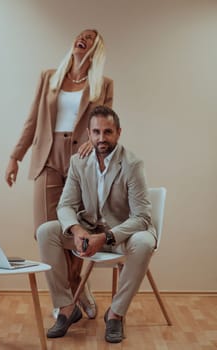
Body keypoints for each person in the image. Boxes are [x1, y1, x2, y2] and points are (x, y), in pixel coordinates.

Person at [5, 29, 114, 320]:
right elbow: (32, 120)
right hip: (48, 156)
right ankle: (72, 293)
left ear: (96, 49)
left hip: (82, 161)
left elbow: (106, 124)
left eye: (91, 38)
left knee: (77, 228)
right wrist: (15, 157)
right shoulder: (49, 77)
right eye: (81, 35)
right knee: (45, 231)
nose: (83, 39)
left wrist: (95, 141)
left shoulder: (102, 84)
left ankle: (72, 294)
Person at [36, 105, 157, 343]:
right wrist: (78, 230)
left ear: (118, 133)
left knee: (144, 242)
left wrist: (107, 237)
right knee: (46, 232)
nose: (102, 138)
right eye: (97, 132)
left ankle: (115, 314)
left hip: (122, 236)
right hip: (88, 232)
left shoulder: (132, 164)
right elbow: (65, 205)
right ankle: (67, 308)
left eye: (108, 132)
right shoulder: (79, 162)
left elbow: (142, 217)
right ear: (89, 135)